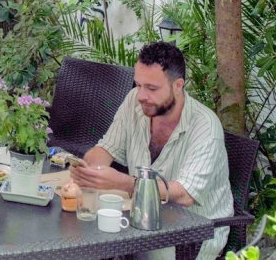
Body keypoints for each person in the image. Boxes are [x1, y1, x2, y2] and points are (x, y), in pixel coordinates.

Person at [69, 42, 233, 260]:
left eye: (152, 88)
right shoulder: (135, 102)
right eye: (138, 85)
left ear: (178, 86)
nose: (141, 95)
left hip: (191, 237)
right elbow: (107, 148)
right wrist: (88, 169)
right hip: (139, 222)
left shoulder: (205, 126)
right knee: (78, 230)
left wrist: (124, 183)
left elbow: (184, 194)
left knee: (91, 239)